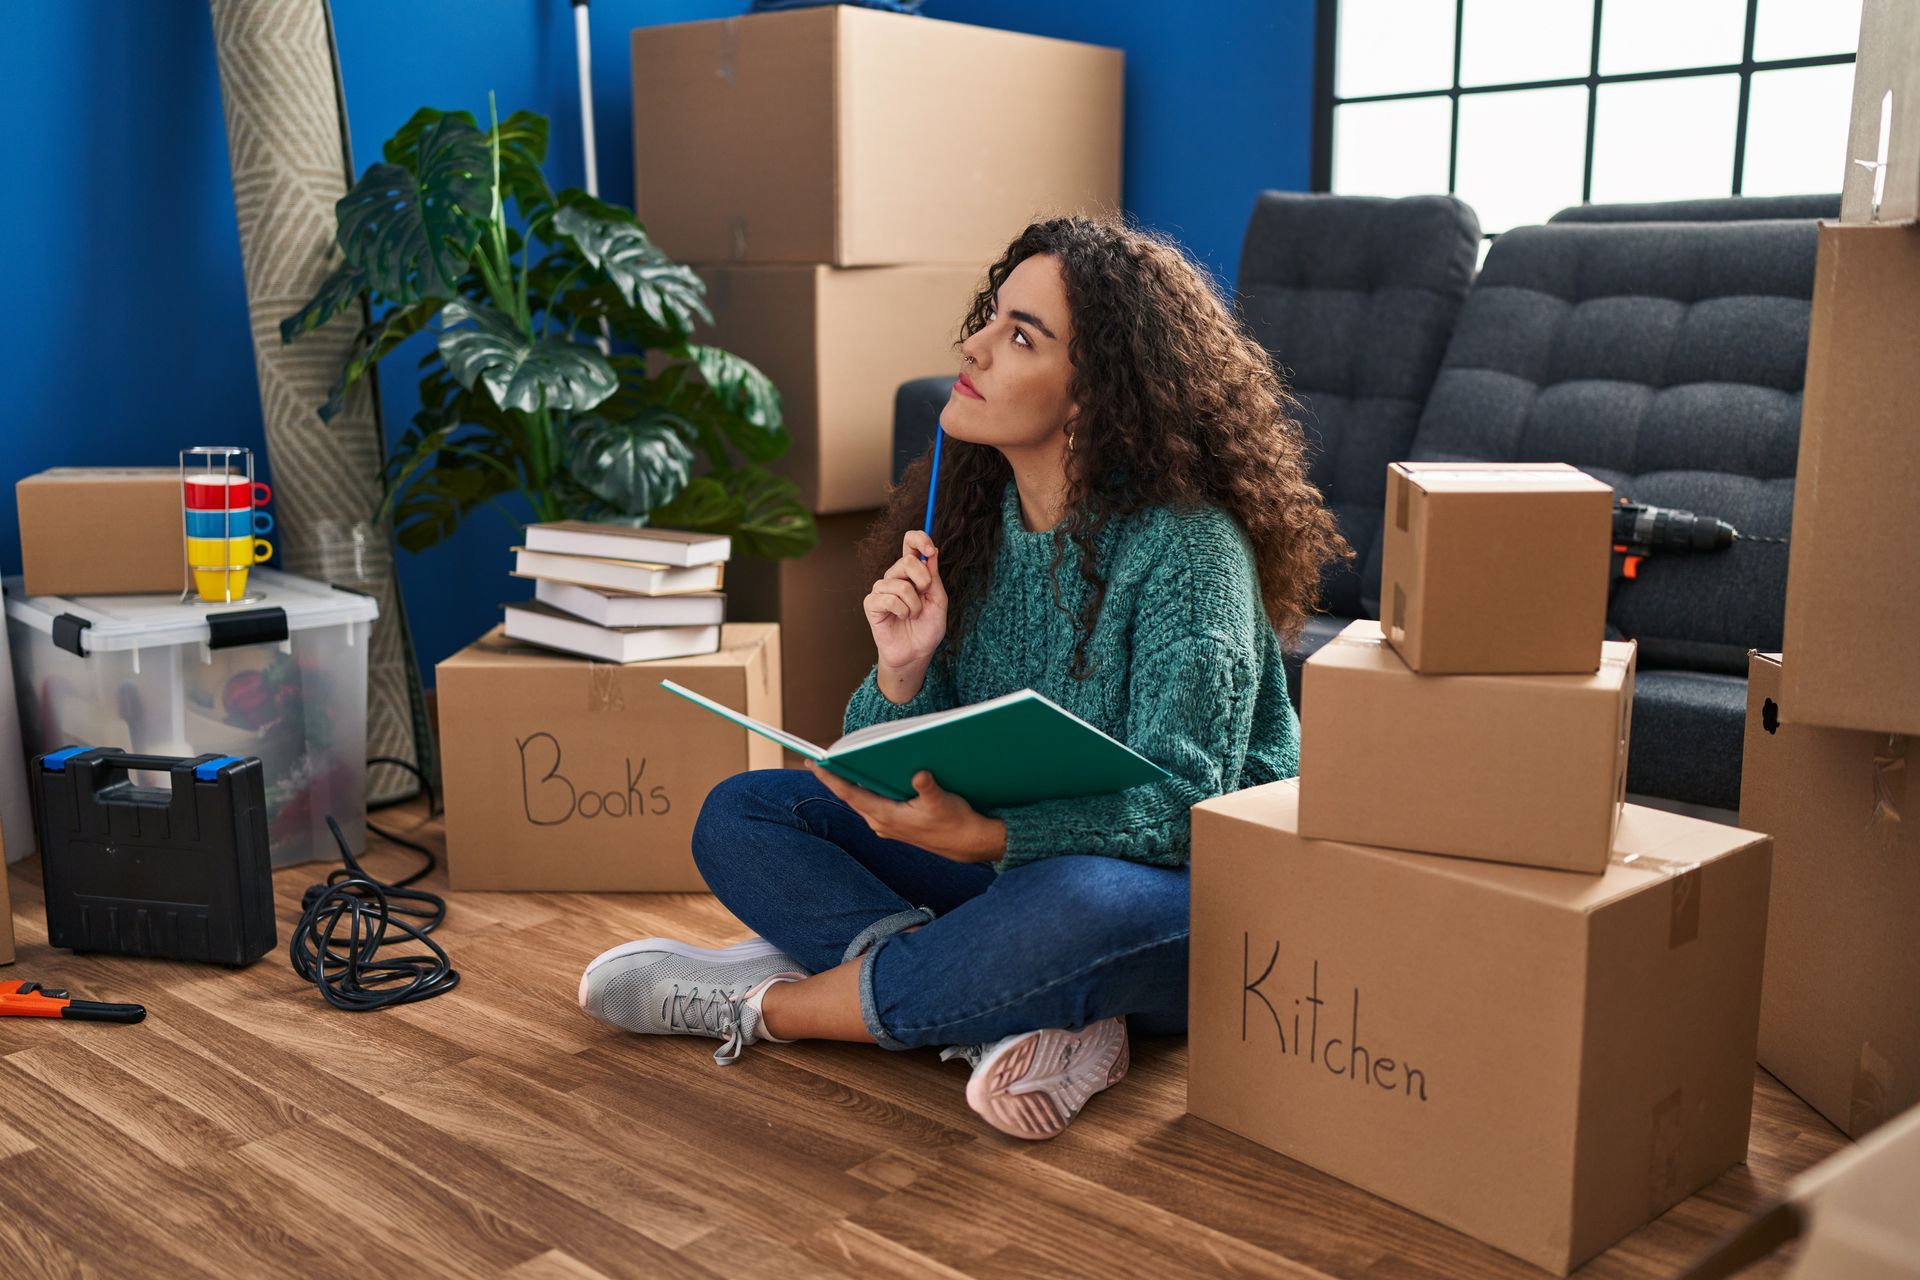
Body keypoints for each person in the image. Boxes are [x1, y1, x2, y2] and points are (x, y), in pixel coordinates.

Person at [577, 214, 1349, 1139]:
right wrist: (900, 674)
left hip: (1176, 901)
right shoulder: (971, 529)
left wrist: (988, 836)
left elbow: (1189, 807)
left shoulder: (1189, 550)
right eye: (993, 315)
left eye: (1021, 335)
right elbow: (891, 766)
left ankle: (774, 1006)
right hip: (1000, 879)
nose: (974, 344)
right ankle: (1014, 1012)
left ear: (1095, 395)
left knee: (1070, 900)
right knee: (745, 812)